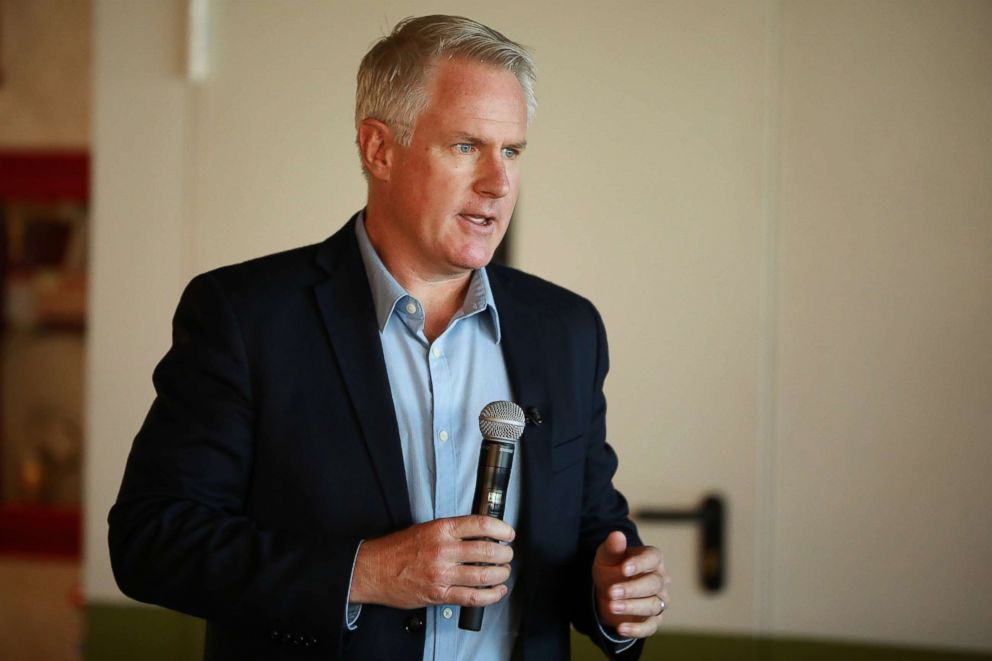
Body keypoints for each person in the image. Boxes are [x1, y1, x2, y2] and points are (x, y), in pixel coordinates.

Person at [109, 14, 669, 661]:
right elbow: (151, 541)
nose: (498, 182)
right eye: (466, 146)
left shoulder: (566, 329)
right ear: (378, 149)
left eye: (512, 150)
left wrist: (612, 591)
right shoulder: (246, 316)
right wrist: (365, 571)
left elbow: (590, 530)